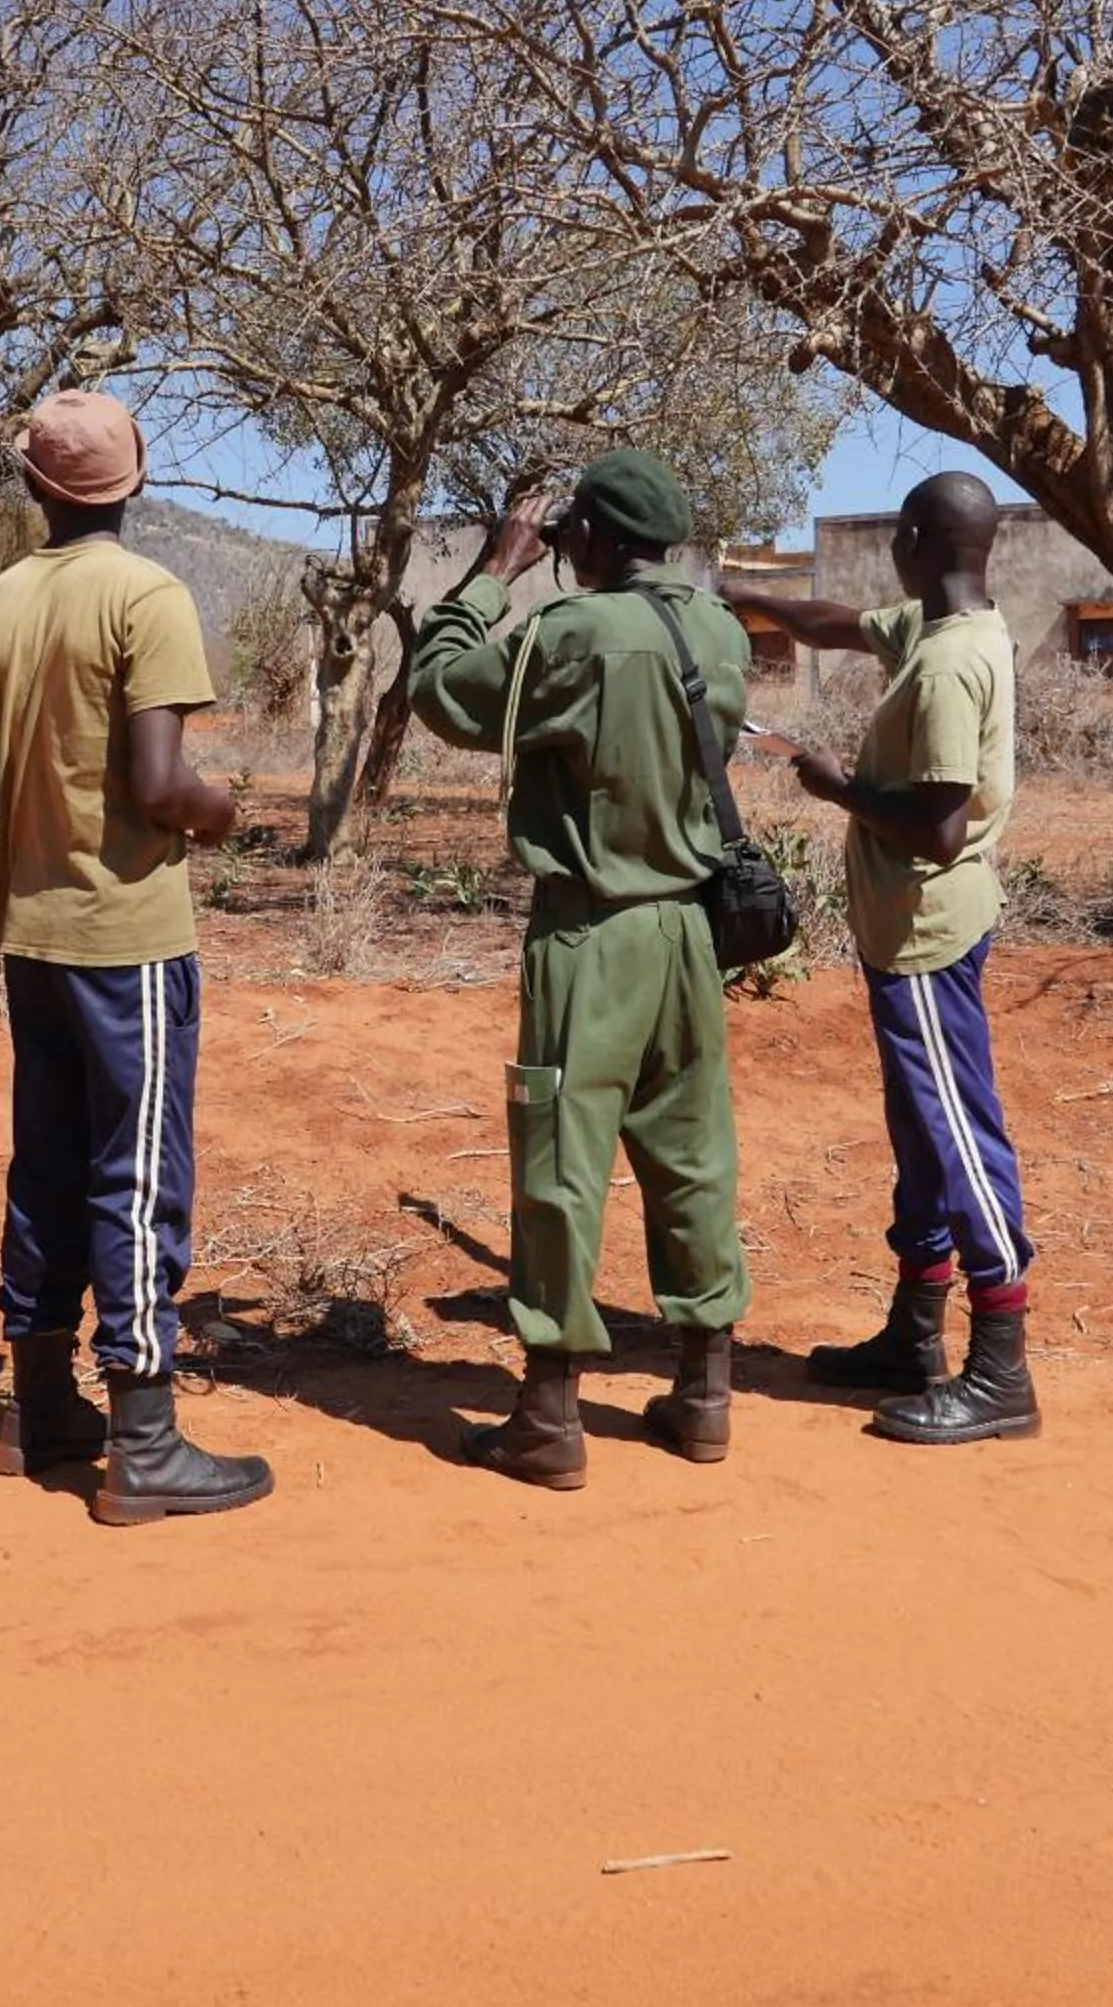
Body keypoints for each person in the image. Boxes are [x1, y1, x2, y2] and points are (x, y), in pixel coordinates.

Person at [0, 389, 275, 1526]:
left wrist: (41, 811)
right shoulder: (148, 596)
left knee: (48, 1163)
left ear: (34, 484)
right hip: (127, 939)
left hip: (30, 935)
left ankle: (37, 1408)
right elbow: (165, 786)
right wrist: (220, 815)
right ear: (136, 478)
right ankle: (144, 1438)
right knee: (136, 1173)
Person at [407, 449, 754, 1489]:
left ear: (591, 537)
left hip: (592, 932)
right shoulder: (720, 628)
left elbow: (440, 688)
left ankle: (549, 1413)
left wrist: (493, 571)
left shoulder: (573, 633)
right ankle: (703, 1395)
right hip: (691, 932)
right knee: (692, 1153)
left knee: (562, 1157)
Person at [723, 469, 1039, 1444]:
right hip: (905, 929)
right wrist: (744, 601)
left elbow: (940, 827)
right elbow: (832, 624)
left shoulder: (950, 667)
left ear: (912, 540)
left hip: (929, 929)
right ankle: (914, 1334)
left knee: (960, 1135)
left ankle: (1001, 1369)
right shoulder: (949, 628)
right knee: (920, 1130)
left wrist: (835, 785)